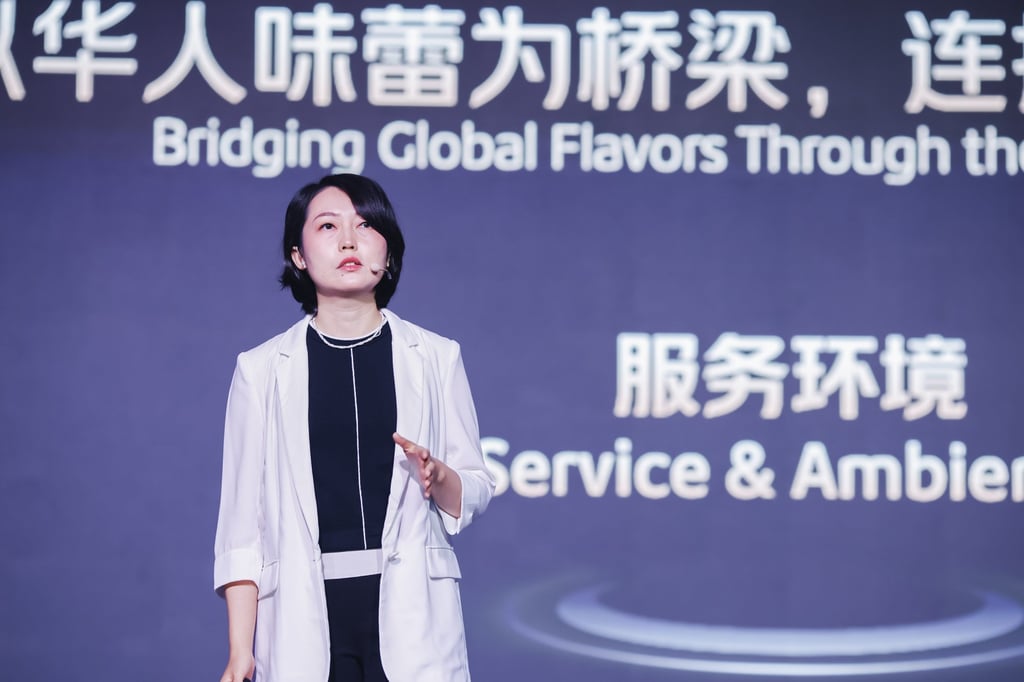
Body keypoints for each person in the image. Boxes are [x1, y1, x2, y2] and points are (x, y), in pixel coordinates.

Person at [214, 173, 495, 682]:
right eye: (327, 226)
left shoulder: (435, 357)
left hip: (414, 614)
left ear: (388, 253)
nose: (348, 240)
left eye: (365, 225)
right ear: (298, 255)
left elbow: (474, 489)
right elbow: (240, 527)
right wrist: (241, 650)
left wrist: (440, 476)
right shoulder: (260, 371)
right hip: (305, 616)